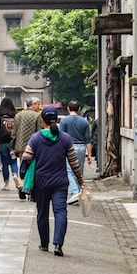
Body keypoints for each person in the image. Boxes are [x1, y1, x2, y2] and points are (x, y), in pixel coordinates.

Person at [19, 106, 85, 257]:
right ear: (56, 120)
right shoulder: (65, 139)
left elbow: (27, 157)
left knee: (42, 213)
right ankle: (58, 244)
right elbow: (74, 162)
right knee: (60, 212)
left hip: (41, 182)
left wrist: (23, 174)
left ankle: (44, 244)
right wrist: (80, 181)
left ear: (42, 120)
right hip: (60, 182)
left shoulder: (36, 138)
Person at [59, 100, 93, 205]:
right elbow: (88, 139)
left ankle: (74, 192)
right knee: (79, 171)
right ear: (79, 109)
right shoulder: (84, 122)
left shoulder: (64, 121)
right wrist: (90, 154)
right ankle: (79, 193)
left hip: (68, 147)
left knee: (68, 170)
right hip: (82, 147)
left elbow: (61, 137)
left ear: (68, 109)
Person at [11, 96, 45, 200]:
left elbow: (14, 133)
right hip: (34, 147)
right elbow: (40, 132)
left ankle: (21, 187)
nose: (39, 106)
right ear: (33, 104)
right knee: (33, 169)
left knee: (23, 168)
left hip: (21, 147)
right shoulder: (38, 116)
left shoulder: (18, 116)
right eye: (38, 104)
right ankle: (31, 192)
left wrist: (13, 146)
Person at [0, 98, 19, 191]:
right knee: (14, 162)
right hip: (13, 143)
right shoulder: (16, 116)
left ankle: (6, 184)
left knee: (5, 164)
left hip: (2, 142)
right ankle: (15, 175)